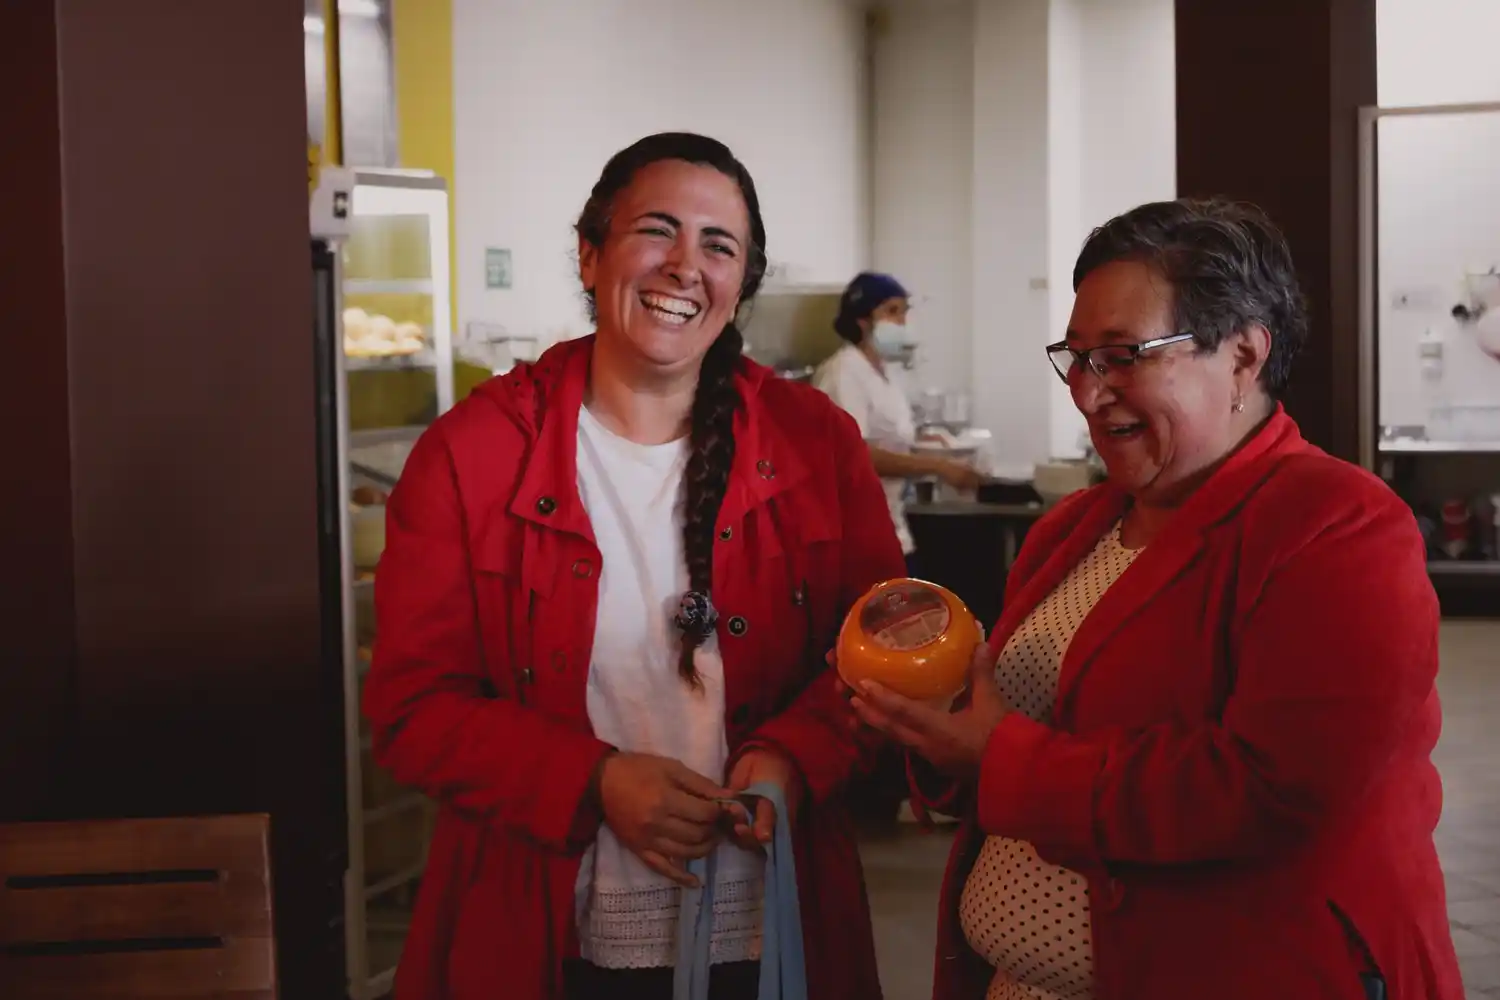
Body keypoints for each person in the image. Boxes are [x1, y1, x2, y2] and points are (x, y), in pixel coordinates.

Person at [846, 198, 1463, 999]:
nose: (1088, 392)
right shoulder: (1074, 530)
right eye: (1076, 357)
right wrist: (933, 730)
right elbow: (1008, 748)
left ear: (1243, 357)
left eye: (1123, 355)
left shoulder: (1338, 527)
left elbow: (1270, 790)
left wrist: (1001, 756)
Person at [361, 132, 903, 1000]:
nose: (686, 265)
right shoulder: (475, 453)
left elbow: (883, 655)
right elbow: (413, 707)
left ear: (740, 284)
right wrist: (593, 781)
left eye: (718, 245)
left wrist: (797, 759)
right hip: (549, 932)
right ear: (589, 254)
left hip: (771, 925)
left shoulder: (814, 444)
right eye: (657, 230)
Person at [813, 271, 982, 573]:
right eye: (891, 311)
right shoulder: (844, 373)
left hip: (891, 527)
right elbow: (854, 454)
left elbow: (888, 437)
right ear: (862, 319)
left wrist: (924, 443)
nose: (901, 321)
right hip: (856, 540)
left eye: (904, 311)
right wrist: (938, 467)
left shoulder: (886, 374)